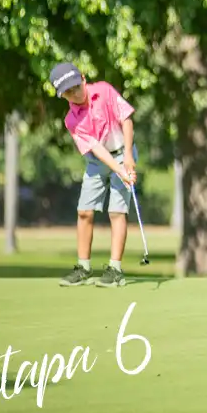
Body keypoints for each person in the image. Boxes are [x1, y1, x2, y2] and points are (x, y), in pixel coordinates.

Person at [49, 62, 139, 288]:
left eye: (76, 87)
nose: (75, 94)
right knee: (84, 211)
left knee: (117, 211)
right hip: (97, 161)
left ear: (83, 78)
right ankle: (84, 268)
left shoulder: (105, 91)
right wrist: (118, 170)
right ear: (62, 96)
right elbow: (96, 149)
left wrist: (128, 156)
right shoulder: (72, 120)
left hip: (123, 152)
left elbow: (126, 119)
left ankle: (115, 269)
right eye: (68, 93)